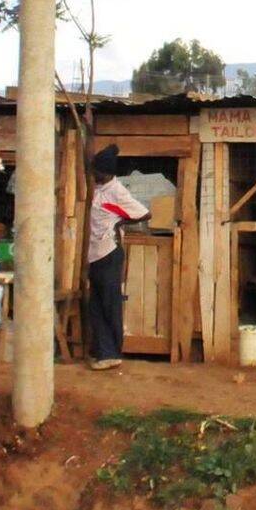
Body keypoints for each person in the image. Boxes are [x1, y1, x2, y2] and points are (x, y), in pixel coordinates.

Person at [84, 144, 147, 371]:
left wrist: (119, 221)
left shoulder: (116, 191)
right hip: (96, 253)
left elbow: (143, 212)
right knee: (96, 303)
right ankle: (103, 350)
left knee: (108, 302)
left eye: (96, 170)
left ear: (105, 171)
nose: (93, 174)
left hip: (109, 251)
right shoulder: (100, 189)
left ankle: (110, 352)